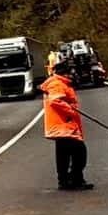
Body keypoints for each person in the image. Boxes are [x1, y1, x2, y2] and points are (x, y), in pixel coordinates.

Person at [41, 53, 92, 190]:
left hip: (64, 125)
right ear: (65, 72)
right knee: (79, 153)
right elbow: (55, 100)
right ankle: (74, 180)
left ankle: (66, 181)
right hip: (64, 125)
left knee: (64, 154)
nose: (73, 73)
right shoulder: (57, 84)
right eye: (71, 71)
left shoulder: (62, 83)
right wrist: (71, 110)